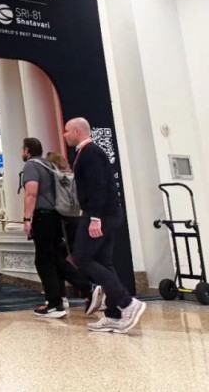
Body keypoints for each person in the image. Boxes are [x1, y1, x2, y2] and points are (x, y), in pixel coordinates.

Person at [64, 117, 146, 333]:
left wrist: (94, 218)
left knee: (82, 257)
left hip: (100, 214)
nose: (65, 135)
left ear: (78, 132)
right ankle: (113, 314)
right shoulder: (89, 152)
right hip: (107, 214)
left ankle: (127, 303)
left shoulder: (90, 152)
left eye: (67, 131)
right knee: (103, 262)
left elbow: (97, 186)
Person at [22, 137, 96, 318]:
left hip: (43, 217)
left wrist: (26, 218)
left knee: (44, 261)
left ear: (27, 150)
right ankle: (82, 290)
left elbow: (31, 193)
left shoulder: (31, 165)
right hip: (56, 216)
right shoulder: (49, 165)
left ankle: (57, 303)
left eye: (23, 149)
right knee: (54, 258)